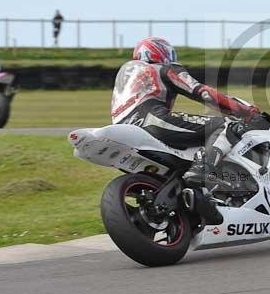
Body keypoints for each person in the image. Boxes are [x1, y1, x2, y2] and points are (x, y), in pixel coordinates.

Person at [111, 37, 261, 224]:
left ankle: (191, 198)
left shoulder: (126, 75)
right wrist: (243, 109)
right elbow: (202, 92)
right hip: (152, 121)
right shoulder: (163, 68)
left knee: (184, 157)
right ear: (160, 53)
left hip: (124, 130)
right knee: (225, 125)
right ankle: (201, 170)